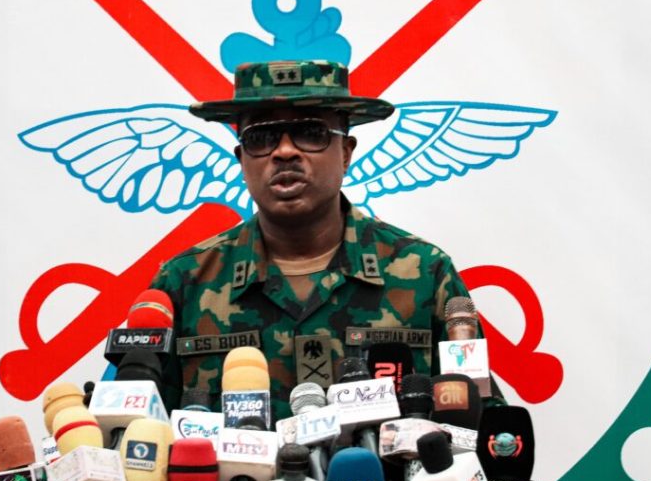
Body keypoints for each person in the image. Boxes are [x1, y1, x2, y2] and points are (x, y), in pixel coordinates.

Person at [149, 59, 485, 418]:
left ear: (346, 153)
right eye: (261, 138)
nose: (284, 152)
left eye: (310, 132)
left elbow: (479, 419)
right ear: (241, 159)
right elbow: (140, 428)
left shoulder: (425, 274)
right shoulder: (185, 283)